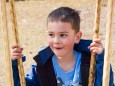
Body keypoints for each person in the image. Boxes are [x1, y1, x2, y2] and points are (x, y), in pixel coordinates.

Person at [11, 7, 114, 86]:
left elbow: (105, 83)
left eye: (63, 35)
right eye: (51, 35)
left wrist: (101, 60)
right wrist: (14, 64)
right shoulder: (41, 67)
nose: (56, 41)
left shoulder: (90, 62)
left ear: (77, 37)